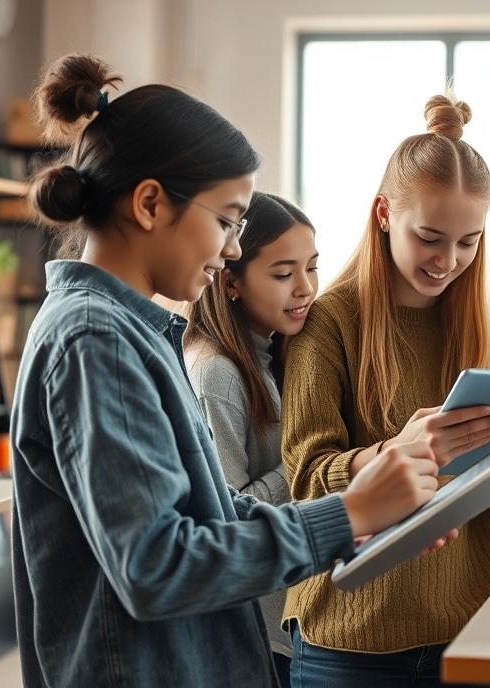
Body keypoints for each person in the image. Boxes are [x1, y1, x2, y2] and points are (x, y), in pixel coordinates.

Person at [9, 54, 444, 687]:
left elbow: (213, 520)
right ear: (152, 203)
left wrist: (365, 518)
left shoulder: (133, 331)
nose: (234, 248)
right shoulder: (93, 338)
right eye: (225, 220)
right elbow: (157, 565)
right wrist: (348, 513)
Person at [282, 94, 490, 686]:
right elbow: (303, 481)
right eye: (429, 237)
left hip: (473, 621)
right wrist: (396, 452)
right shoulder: (328, 322)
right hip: (349, 635)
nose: (447, 260)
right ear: (382, 213)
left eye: (468, 241)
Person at [182, 192, 318, 687]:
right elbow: (227, 512)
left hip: (293, 605)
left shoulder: (283, 352)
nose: (305, 289)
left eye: (312, 268)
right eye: (283, 274)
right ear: (231, 280)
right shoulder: (216, 371)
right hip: (257, 628)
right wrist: (308, 459)